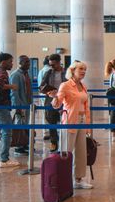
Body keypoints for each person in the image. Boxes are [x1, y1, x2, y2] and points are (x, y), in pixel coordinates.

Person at [50, 60, 93, 189]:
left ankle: (78, 179)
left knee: (81, 151)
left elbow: (85, 105)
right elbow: (57, 105)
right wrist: (54, 97)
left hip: (82, 120)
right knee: (66, 151)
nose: (83, 72)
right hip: (69, 120)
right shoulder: (65, 85)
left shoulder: (83, 86)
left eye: (84, 69)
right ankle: (62, 178)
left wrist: (88, 124)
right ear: (72, 70)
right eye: (81, 69)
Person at [0, 52, 20, 168]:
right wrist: (12, 86)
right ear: (3, 62)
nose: (12, 64)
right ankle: (4, 159)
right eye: (10, 61)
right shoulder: (2, 72)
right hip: (1, 106)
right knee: (7, 131)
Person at [39, 53, 65, 152]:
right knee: (51, 121)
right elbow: (41, 86)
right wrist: (46, 90)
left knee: (65, 122)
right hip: (51, 100)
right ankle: (54, 142)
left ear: (59, 63)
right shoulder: (48, 73)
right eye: (50, 64)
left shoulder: (66, 73)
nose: (51, 67)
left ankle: (65, 142)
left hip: (64, 100)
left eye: (53, 64)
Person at [10, 55, 33, 155]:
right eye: (26, 62)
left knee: (25, 125)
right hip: (20, 105)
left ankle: (24, 143)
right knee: (19, 125)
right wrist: (17, 107)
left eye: (29, 62)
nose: (28, 64)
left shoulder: (27, 74)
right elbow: (14, 93)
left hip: (27, 104)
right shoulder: (15, 75)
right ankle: (19, 146)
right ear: (20, 63)